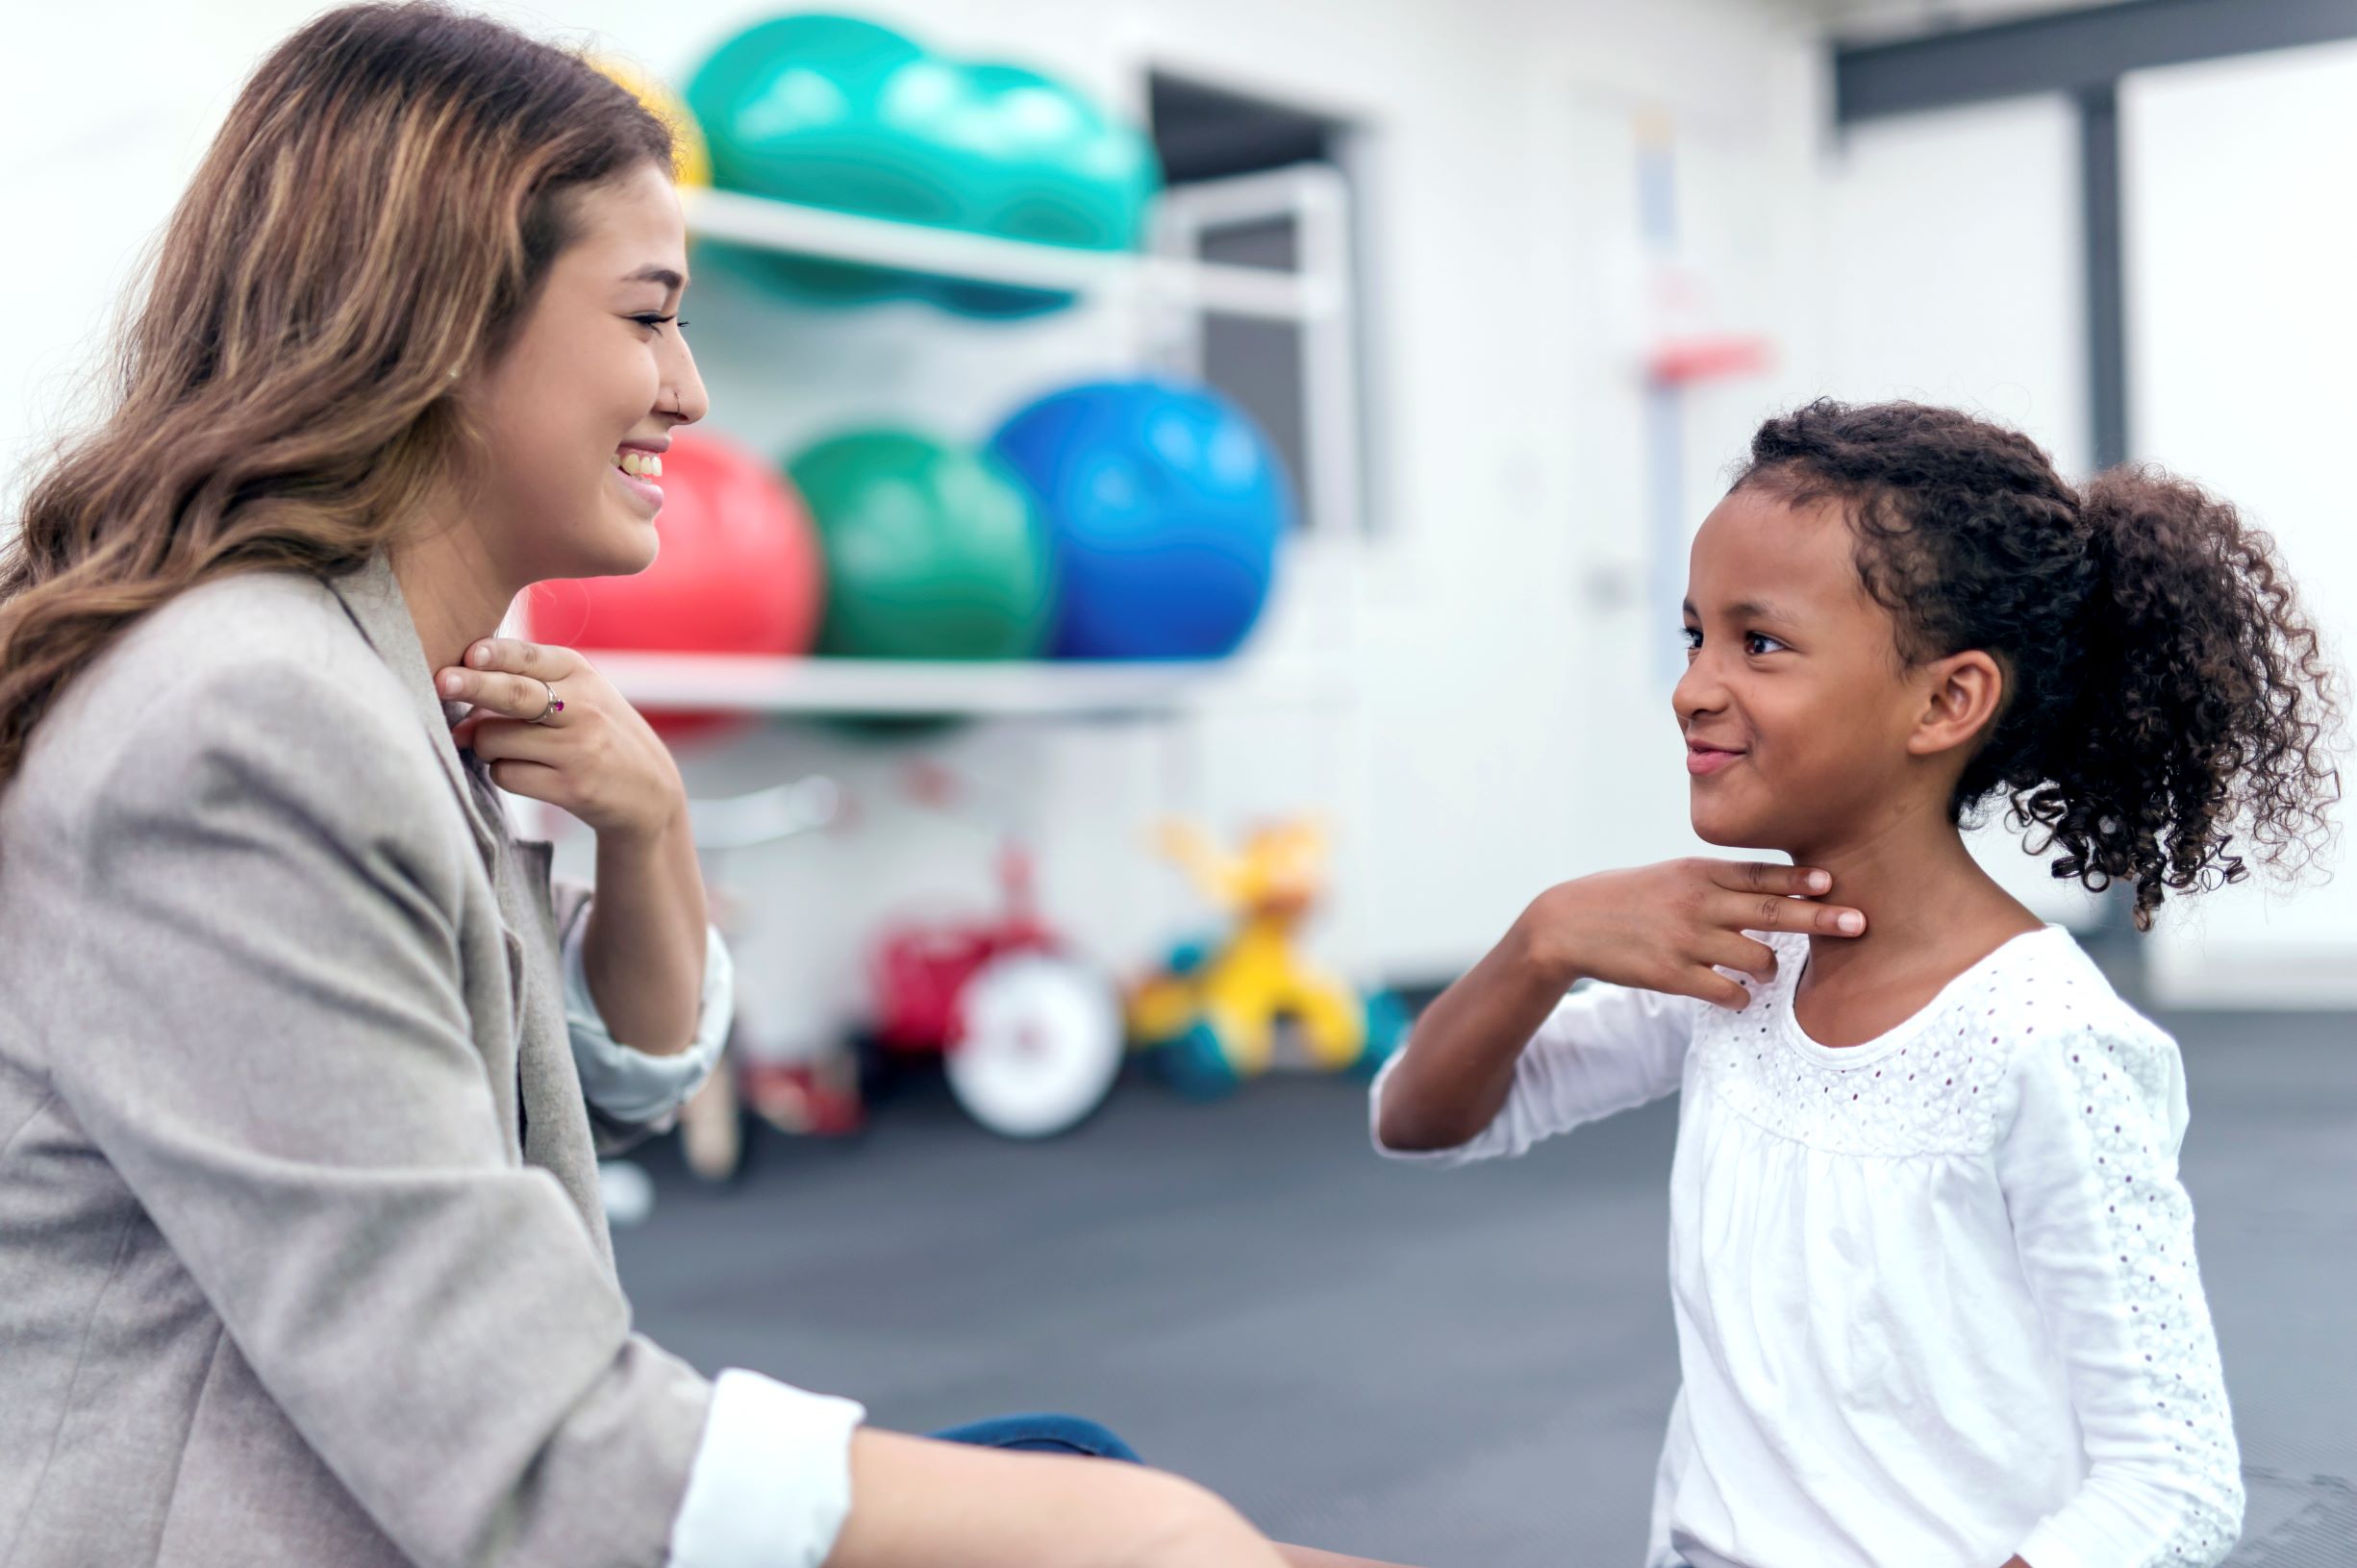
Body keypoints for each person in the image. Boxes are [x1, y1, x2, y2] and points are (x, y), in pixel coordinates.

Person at [0, 7, 1405, 1567]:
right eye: (652, 316)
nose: (693, 393)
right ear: (448, 322)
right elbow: (542, 1463)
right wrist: (1155, 1538)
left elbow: (598, 1097)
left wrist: (650, 822)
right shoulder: (248, 721)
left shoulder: (386, 679)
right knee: (1108, 1499)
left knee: (1067, 1467)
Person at [1372, 399, 2344, 1568]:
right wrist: (1543, 938)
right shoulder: (1739, 950)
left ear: (1947, 700)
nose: (1692, 687)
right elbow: (1419, 1118)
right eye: (1694, 637)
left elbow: (2175, 1487)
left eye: (1760, 643)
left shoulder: (2047, 1039)